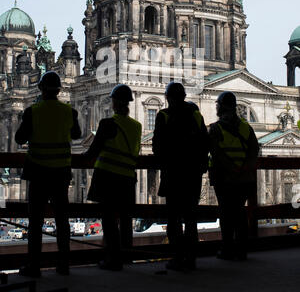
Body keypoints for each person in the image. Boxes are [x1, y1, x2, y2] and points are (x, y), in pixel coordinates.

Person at [15, 71, 81, 277]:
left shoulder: (32, 111)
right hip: (61, 173)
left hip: (38, 172)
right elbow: (77, 135)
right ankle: (64, 265)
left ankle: (34, 266)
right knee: (62, 220)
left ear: (41, 89)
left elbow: (19, 139)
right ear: (59, 90)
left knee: (36, 221)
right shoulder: (69, 112)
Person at [152, 82, 209, 271]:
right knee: (191, 217)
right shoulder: (195, 114)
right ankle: (191, 258)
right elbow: (205, 141)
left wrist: (164, 162)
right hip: (193, 173)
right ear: (184, 96)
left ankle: (177, 257)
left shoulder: (164, 115)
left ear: (167, 97)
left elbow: (157, 146)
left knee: (174, 217)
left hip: (173, 173)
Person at [85, 84, 142, 271]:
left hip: (108, 177)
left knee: (109, 220)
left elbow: (93, 151)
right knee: (126, 219)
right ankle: (127, 257)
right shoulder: (137, 126)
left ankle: (113, 258)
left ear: (115, 103)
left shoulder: (107, 124)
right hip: (127, 178)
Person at [208, 91, 259, 261]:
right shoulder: (246, 127)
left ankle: (228, 248)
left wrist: (232, 168)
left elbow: (216, 153)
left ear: (221, 106)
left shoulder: (216, 128)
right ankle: (242, 250)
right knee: (240, 212)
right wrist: (244, 167)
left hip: (225, 178)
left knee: (226, 214)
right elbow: (254, 151)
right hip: (244, 179)